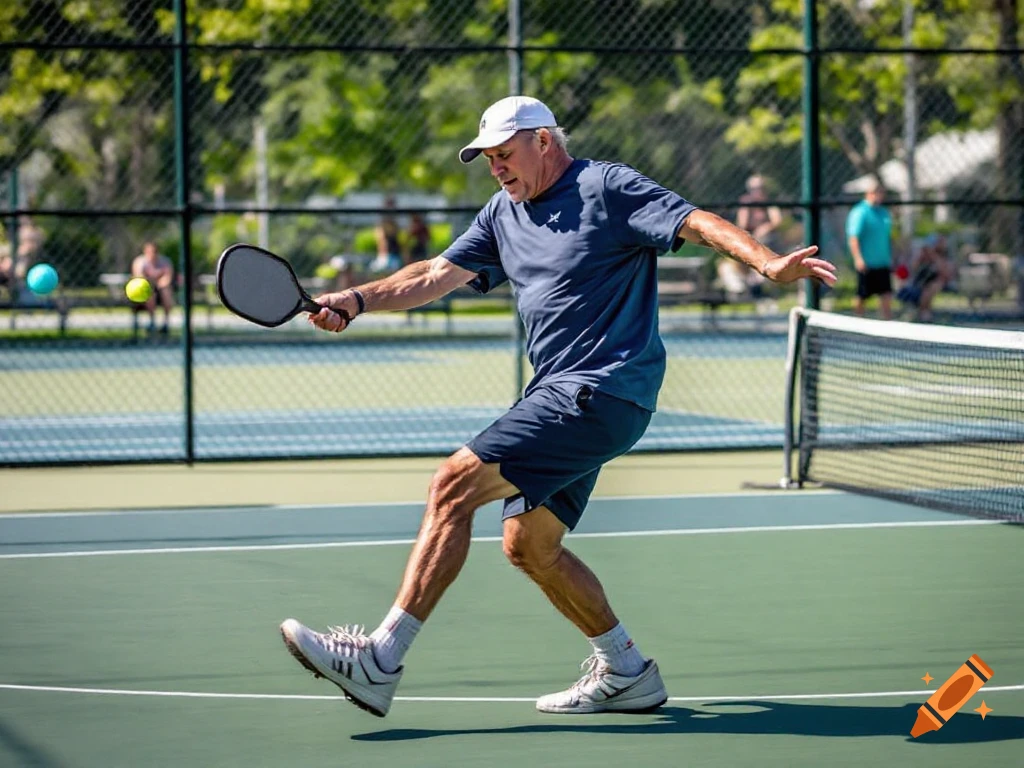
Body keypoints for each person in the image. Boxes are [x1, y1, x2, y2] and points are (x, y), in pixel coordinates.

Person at [279, 96, 837, 718]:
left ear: (544, 141)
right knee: (529, 546)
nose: (496, 167)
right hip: (570, 395)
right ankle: (628, 671)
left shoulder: (606, 186)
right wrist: (355, 300)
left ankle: (380, 659)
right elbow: (433, 274)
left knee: (452, 485)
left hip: (600, 387)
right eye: (487, 158)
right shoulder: (502, 213)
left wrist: (765, 262)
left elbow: (695, 221)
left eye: (505, 153)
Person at [718, 175, 783, 299]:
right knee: (727, 265)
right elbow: (742, 225)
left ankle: (759, 287)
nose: (758, 191)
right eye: (754, 188)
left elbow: (777, 220)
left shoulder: (769, 203)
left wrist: (765, 228)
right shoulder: (746, 203)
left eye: (761, 188)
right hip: (748, 244)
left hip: (768, 245)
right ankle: (740, 291)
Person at [846, 180, 894, 320]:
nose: (878, 195)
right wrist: (858, 258)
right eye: (875, 192)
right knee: (862, 295)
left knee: (886, 295)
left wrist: (893, 255)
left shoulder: (884, 213)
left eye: (881, 192)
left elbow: (888, 237)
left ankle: (887, 327)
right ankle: (858, 323)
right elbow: (853, 237)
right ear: (868, 193)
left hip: (882, 262)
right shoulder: (859, 212)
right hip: (867, 263)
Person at [897, 234, 955, 322]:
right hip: (918, 285)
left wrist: (933, 256)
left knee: (935, 285)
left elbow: (946, 274)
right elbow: (912, 269)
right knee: (924, 289)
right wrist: (922, 256)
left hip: (934, 284)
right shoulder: (922, 257)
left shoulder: (942, 258)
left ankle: (924, 313)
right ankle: (922, 313)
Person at [130, 241, 175, 334]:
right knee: (150, 293)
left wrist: (160, 283)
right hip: (144, 291)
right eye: (150, 251)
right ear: (145, 251)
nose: (152, 253)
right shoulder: (140, 262)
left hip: (161, 289)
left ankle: (165, 323)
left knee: (166, 292)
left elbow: (167, 278)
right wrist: (152, 283)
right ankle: (152, 322)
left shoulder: (165, 261)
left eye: (154, 251)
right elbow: (140, 278)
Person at [371, 196, 403, 273]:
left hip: (394, 256)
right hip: (385, 257)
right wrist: (383, 255)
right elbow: (381, 240)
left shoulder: (394, 223)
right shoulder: (381, 225)